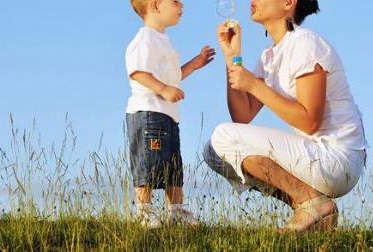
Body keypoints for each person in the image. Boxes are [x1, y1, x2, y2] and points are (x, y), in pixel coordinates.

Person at [203, 0, 368, 232]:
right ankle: (313, 210)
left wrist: (254, 85)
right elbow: (242, 115)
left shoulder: (306, 43)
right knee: (214, 152)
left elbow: (310, 121)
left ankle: (311, 203)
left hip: (337, 159)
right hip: (314, 157)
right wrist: (232, 56)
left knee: (222, 135)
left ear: (288, 3)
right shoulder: (270, 56)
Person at [126, 0, 215, 228]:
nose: (181, 5)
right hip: (148, 113)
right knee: (148, 162)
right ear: (156, 5)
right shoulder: (145, 38)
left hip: (168, 116)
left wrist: (194, 64)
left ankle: (176, 211)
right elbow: (137, 72)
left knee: (173, 165)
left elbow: (171, 77)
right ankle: (144, 211)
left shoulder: (163, 40)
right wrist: (163, 89)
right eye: (175, 1)